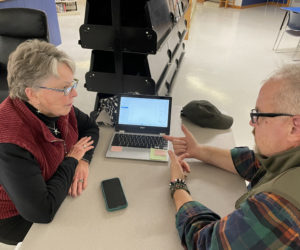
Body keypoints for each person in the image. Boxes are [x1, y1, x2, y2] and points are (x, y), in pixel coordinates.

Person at [164, 64, 300, 249]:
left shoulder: (283, 207)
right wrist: (197, 150)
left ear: (294, 127)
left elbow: (205, 241)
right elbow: (256, 163)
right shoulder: (289, 154)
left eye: (258, 115)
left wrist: (177, 185)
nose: (252, 123)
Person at [0, 39, 99, 245]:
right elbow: (41, 211)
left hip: (53, 189)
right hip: (16, 218)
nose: (74, 94)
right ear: (32, 94)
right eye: (65, 88)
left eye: (73, 84)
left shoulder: (57, 106)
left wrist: (84, 161)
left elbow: (90, 128)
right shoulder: (10, 141)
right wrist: (72, 160)